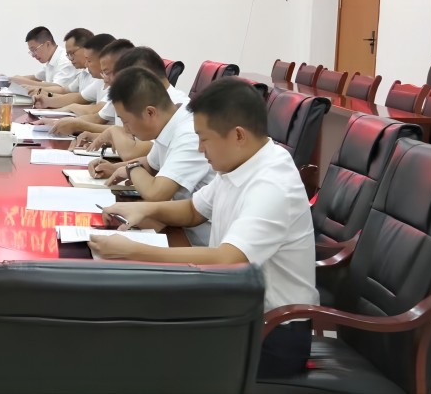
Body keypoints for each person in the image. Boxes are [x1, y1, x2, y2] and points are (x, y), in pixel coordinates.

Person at [89, 77, 317, 379]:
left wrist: (133, 251)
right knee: (130, 320)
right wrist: (142, 209)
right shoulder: (241, 162)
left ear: (238, 135)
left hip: (270, 333)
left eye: (204, 139)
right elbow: (194, 210)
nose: (199, 148)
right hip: (234, 308)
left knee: (137, 344)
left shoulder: (272, 185)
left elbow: (229, 260)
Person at [93, 66, 214, 244]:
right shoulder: (170, 122)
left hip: (196, 241)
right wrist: (114, 168)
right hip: (176, 225)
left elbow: (156, 193)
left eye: (126, 121)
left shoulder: (189, 134)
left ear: (150, 112)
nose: (125, 129)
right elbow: (151, 164)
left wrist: (131, 168)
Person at [78, 46, 189, 162]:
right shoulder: (139, 97)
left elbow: (133, 153)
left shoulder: (174, 107)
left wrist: (113, 131)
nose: (107, 80)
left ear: (144, 76)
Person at [46, 39, 134, 136]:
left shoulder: (134, 94)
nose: (105, 78)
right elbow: (98, 117)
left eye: (106, 72)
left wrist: (76, 124)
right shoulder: (117, 91)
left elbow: (125, 135)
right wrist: (59, 121)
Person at [33, 33, 115, 110]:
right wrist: (46, 98)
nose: (86, 64)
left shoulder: (110, 82)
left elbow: (96, 112)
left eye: (72, 53)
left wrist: (69, 108)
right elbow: (77, 97)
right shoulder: (97, 79)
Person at [27, 28, 94, 96]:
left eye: (72, 53)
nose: (70, 58)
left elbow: (79, 98)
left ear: (87, 48)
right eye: (68, 54)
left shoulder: (97, 77)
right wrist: (39, 90)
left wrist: (41, 92)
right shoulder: (83, 74)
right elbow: (64, 90)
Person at [9, 26, 77, 88]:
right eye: (31, 51)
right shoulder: (51, 59)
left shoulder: (65, 61)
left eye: (34, 50)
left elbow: (57, 88)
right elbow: (36, 78)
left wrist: (24, 82)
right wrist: (10, 79)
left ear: (47, 44)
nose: (33, 55)